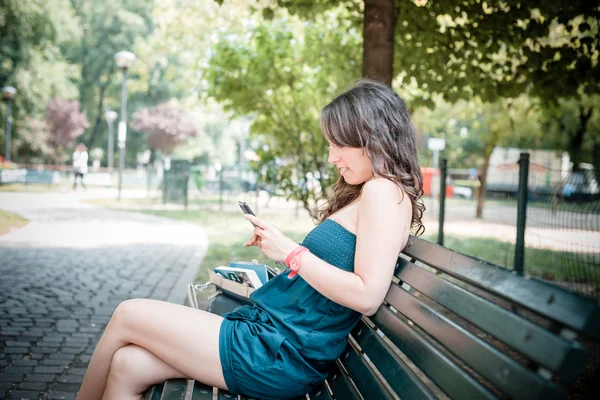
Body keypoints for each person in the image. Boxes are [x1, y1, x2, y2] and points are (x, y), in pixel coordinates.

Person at [76, 79, 425, 400]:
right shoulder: (371, 193)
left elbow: (367, 295)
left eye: (340, 145)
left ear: (372, 137)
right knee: (128, 364)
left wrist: (292, 253)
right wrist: (284, 249)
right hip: (270, 334)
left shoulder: (383, 191)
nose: (333, 157)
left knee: (127, 314)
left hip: (279, 351)